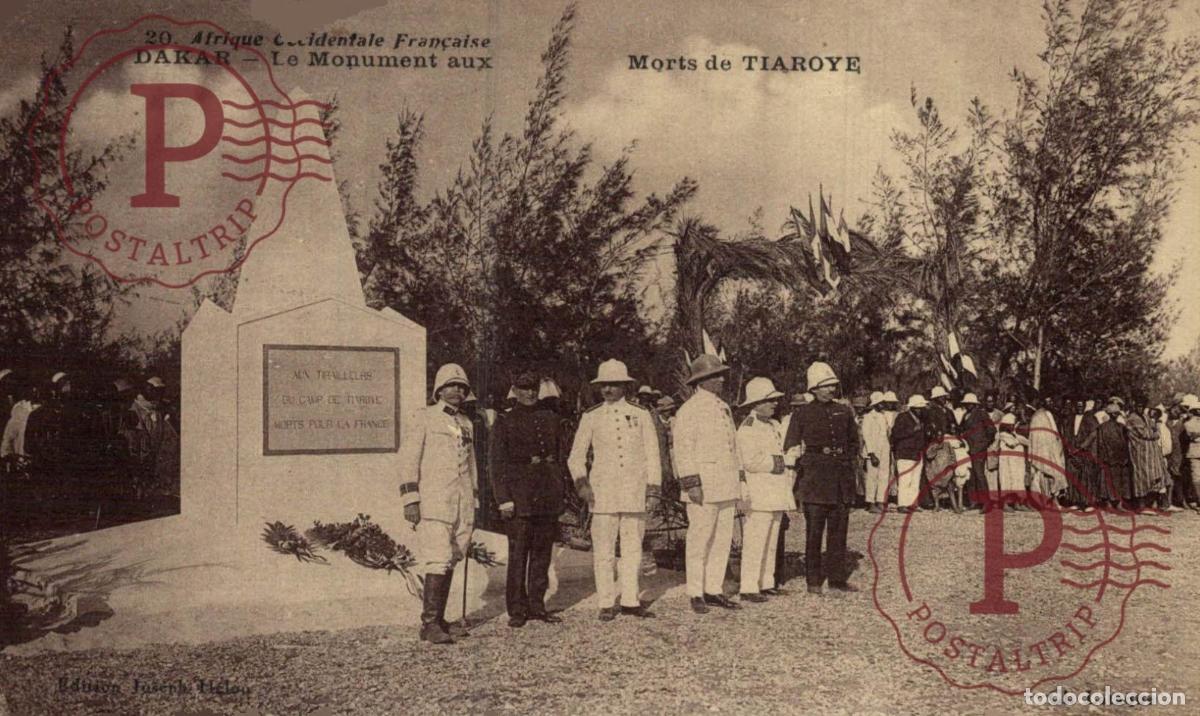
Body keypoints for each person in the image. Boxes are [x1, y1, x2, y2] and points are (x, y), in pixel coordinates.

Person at [568, 359, 661, 621]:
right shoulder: (591, 416)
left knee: (632, 549)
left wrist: (653, 489)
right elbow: (575, 457)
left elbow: (653, 455)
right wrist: (582, 484)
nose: (608, 390)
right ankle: (607, 601)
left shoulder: (641, 414)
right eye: (604, 385)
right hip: (603, 493)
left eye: (614, 385)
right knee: (604, 550)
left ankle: (631, 600)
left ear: (625, 386)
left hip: (634, 491)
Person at [399, 363, 477, 645]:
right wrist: (411, 499)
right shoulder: (425, 418)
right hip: (434, 501)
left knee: (453, 557)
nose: (456, 391)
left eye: (461, 387)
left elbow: (471, 464)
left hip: (462, 501)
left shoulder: (466, 423)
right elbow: (408, 459)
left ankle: (441, 619)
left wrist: (474, 498)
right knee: (438, 558)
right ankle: (429, 624)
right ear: (439, 390)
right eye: (451, 386)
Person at [490, 372, 566, 628]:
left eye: (533, 388)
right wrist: (503, 499)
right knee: (518, 555)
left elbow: (559, 457)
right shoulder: (505, 421)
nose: (530, 393)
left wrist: (559, 491)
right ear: (515, 390)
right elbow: (497, 464)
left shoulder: (551, 418)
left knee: (542, 555)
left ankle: (537, 605)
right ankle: (517, 609)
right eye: (524, 389)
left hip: (546, 496)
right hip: (519, 498)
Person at [783, 361, 860, 595]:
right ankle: (813, 580)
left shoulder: (845, 411)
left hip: (840, 480)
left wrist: (848, 466)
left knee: (838, 533)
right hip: (815, 481)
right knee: (814, 533)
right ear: (814, 389)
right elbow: (791, 445)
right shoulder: (802, 413)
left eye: (833, 386)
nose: (830, 390)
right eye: (825, 386)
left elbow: (854, 443)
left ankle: (837, 579)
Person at [673, 354, 742, 612]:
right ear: (702, 380)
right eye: (716, 375)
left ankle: (713, 588)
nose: (722, 379)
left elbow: (732, 447)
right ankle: (695, 592)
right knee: (699, 539)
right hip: (703, 485)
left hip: (725, 482)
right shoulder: (690, 409)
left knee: (722, 539)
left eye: (721, 375)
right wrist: (691, 483)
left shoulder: (722, 407)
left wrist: (739, 479)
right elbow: (683, 449)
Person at [735, 377, 795, 601]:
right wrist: (777, 462)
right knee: (756, 540)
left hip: (775, 491)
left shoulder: (773, 425)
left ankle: (766, 581)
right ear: (756, 403)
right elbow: (750, 460)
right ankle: (749, 586)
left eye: (775, 400)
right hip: (759, 492)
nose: (775, 404)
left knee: (771, 539)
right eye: (769, 401)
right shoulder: (747, 428)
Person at [1126, 399, 1167, 513]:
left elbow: (1153, 427)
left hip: (1147, 453)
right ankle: (1141, 506)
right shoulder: (1133, 418)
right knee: (1140, 478)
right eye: (1138, 405)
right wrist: (1156, 432)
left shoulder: (1144, 416)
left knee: (1152, 476)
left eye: (1142, 406)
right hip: (1138, 452)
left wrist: (1154, 431)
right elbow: (1146, 434)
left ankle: (1151, 503)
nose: (1140, 408)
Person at [1027, 395, 1067, 507]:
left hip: (1049, 450)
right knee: (1042, 475)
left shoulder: (1047, 415)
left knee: (1052, 474)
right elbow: (1034, 436)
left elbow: (1054, 434)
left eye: (1051, 401)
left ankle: (1052, 500)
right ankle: (1044, 501)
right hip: (1042, 451)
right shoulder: (1038, 416)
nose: (1050, 404)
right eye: (1047, 401)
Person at [959, 392, 995, 511]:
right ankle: (974, 501)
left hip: (979, 448)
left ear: (974, 404)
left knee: (979, 474)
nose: (968, 405)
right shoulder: (965, 415)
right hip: (968, 448)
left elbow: (991, 430)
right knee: (971, 475)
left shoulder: (981, 414)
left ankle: (986, 502)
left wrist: (984, 444)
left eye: (970, 403)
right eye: (966, 403)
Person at [1063, 398, 1101, 511]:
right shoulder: (1070, 419)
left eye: (1081, 406)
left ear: (1085, 407)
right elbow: (1066, 433)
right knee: (1073, 475)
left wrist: (1082, 446)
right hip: (1072, 451)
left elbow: (1093, 434)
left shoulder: (1090, 418)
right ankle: (1074, 500)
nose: (1079, 408)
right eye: (1078, 406)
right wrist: (1070, 448)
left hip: (1085, 451)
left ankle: (1087, 502)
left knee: (1086, 476)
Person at [1094, 400, 1132, 511]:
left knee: (1120, 479)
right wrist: (1103, 455)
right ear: (1110, 414)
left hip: (1120, 456)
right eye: (1114, 413)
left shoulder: (1121, 426)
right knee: (1107, 479)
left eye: (1117, 413)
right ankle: (1109, 503)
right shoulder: (1103, 427)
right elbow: (1100, 443)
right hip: (1108, 456)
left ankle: (1119, 502)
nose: (1116, 416)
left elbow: (1125, 441)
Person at [892, 395, 926, 513]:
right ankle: (902, 504)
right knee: (905, 479)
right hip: (905, 453)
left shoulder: (921, 419)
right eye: (918, 408)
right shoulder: (902, 417)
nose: (920, 410)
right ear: (912, 408)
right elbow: (895, 434)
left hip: (917, 452)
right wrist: (912, 430)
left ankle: (912, 503)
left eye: (921, 408)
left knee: (915, 479)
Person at [861, 391, 891, 514]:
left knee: (884, 476)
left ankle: (880, 501)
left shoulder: (884, 416)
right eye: (881, 403)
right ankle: (871, 502)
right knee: (872, 477)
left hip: (884, 448)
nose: (883, 405)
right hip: (873, 449)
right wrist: (871, 453)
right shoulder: (868, 417)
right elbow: (866, 436)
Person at [993, 413, 1029, 511]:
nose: (1012, 427)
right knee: (1007, 480)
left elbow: (1027, 442)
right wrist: (1019, 440)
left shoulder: (1015, 435)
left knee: (1018, 480)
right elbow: (1012, 443)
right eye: (1010, 425)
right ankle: (1005, 504)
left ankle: (1018, 503)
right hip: (1007, 462)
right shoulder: (1002, 435)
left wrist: (1017, 437)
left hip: (1017, 461)